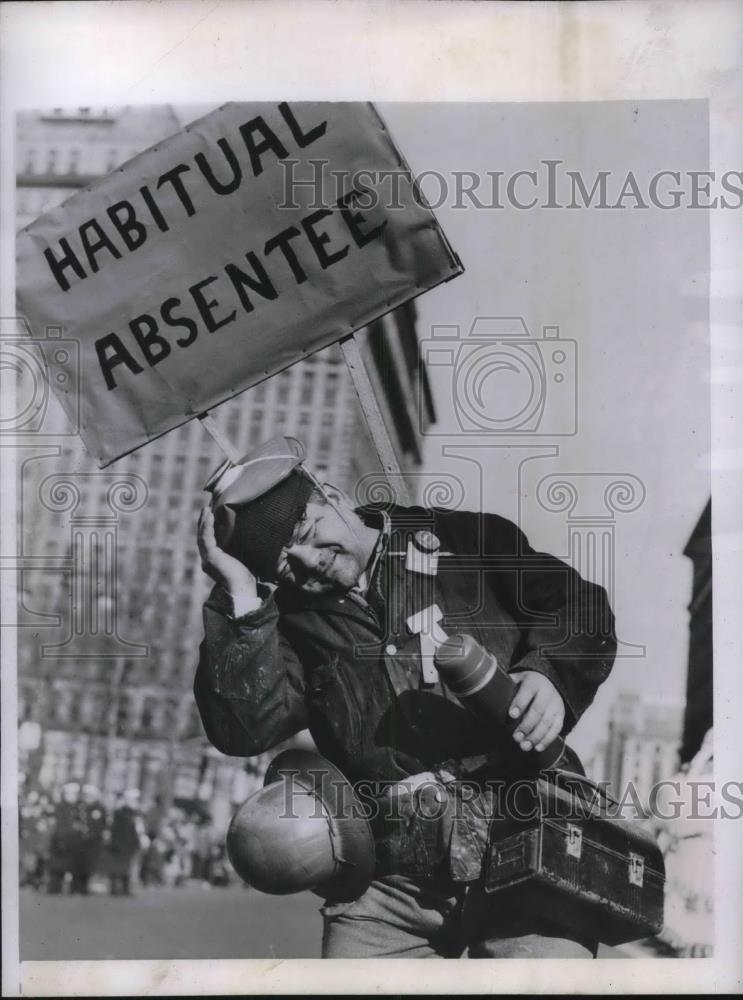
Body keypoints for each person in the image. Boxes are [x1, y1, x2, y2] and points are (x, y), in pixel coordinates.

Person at [194, 437, 617, 958]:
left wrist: (549, 674)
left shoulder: (466, 539)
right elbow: (242, 729)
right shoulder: (289, 624)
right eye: (284, 565)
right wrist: (237, 592)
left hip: (528, 843)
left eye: (305, 530)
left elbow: (581, 608)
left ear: (330, 493)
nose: (309, 562)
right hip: (391, 882)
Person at [106, 788, 147, 896]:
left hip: (130, 845)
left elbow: (138, 830)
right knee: (117, 867)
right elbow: (115, 830)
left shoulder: (135, 814)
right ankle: (114, 888)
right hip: (119, 844)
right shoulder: (119, 813)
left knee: (127, 867)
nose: (135, 802)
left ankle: (125, 888)